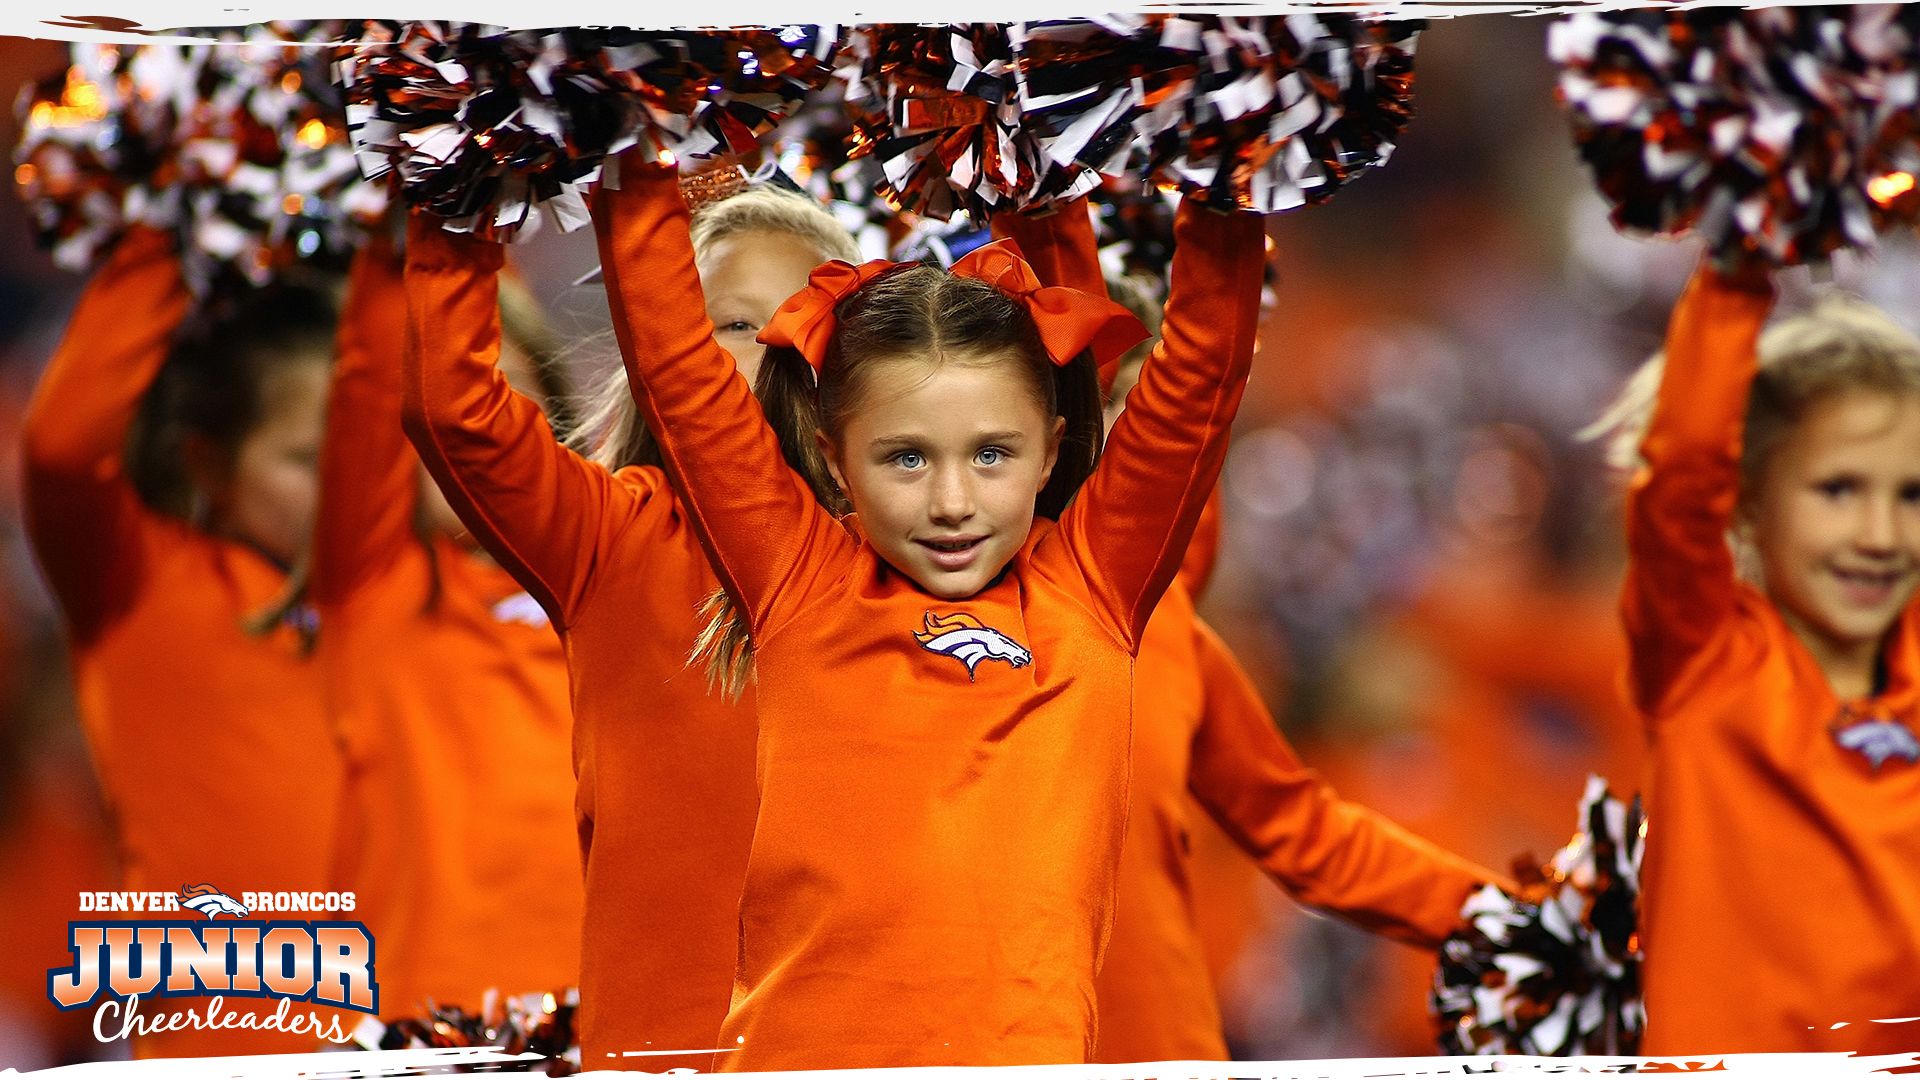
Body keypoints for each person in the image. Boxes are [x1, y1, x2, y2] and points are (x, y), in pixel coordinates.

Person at [591, 150, 1260, 1069]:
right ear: (832, 459)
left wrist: (1236, 159)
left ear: (1053, 448)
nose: (953, 503)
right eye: (906, 457)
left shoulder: (1095, 586)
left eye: (993, 454)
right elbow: (677, 368)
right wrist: (629, 143)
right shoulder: (795, 576)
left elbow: (1196, 380)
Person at [996, 204, 1503, 1063]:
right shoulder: (919, 617)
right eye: (1111, 407)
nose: (1135, 445)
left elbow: (1310, 836)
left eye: (1150, 414)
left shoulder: (1173, 629)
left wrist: (1524, 918)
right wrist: (1032, 170)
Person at [400, 183, 861, 1065]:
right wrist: (453, 184)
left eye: (805, 323)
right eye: (728, 325)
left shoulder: (915, 557)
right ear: (661, 351)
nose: (768, 349)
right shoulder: (611, 535)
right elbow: (454, 408)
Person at [20, 227, 342, 1057]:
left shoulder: (429, 591)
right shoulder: (147, 590)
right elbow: (62, 447)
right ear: (208, 466)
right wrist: (174, 222)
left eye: (375, 450)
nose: (352, 483)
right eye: (308, 458)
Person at [1593, 259, 1920, 1054]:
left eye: (1912, 496)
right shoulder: (1704, 663)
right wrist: (1741, 263)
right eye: (1837, 490)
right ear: (1748, 501)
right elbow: (1679, 473)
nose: (1879, 535)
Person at [309, 234, 581, 1022]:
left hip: (608, 1031)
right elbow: (368, 373)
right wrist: (427, 205)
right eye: (435, 420)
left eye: (498, 409)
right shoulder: (374, 587)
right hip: (417, 1032)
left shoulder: (618, 579)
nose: (465, 440)